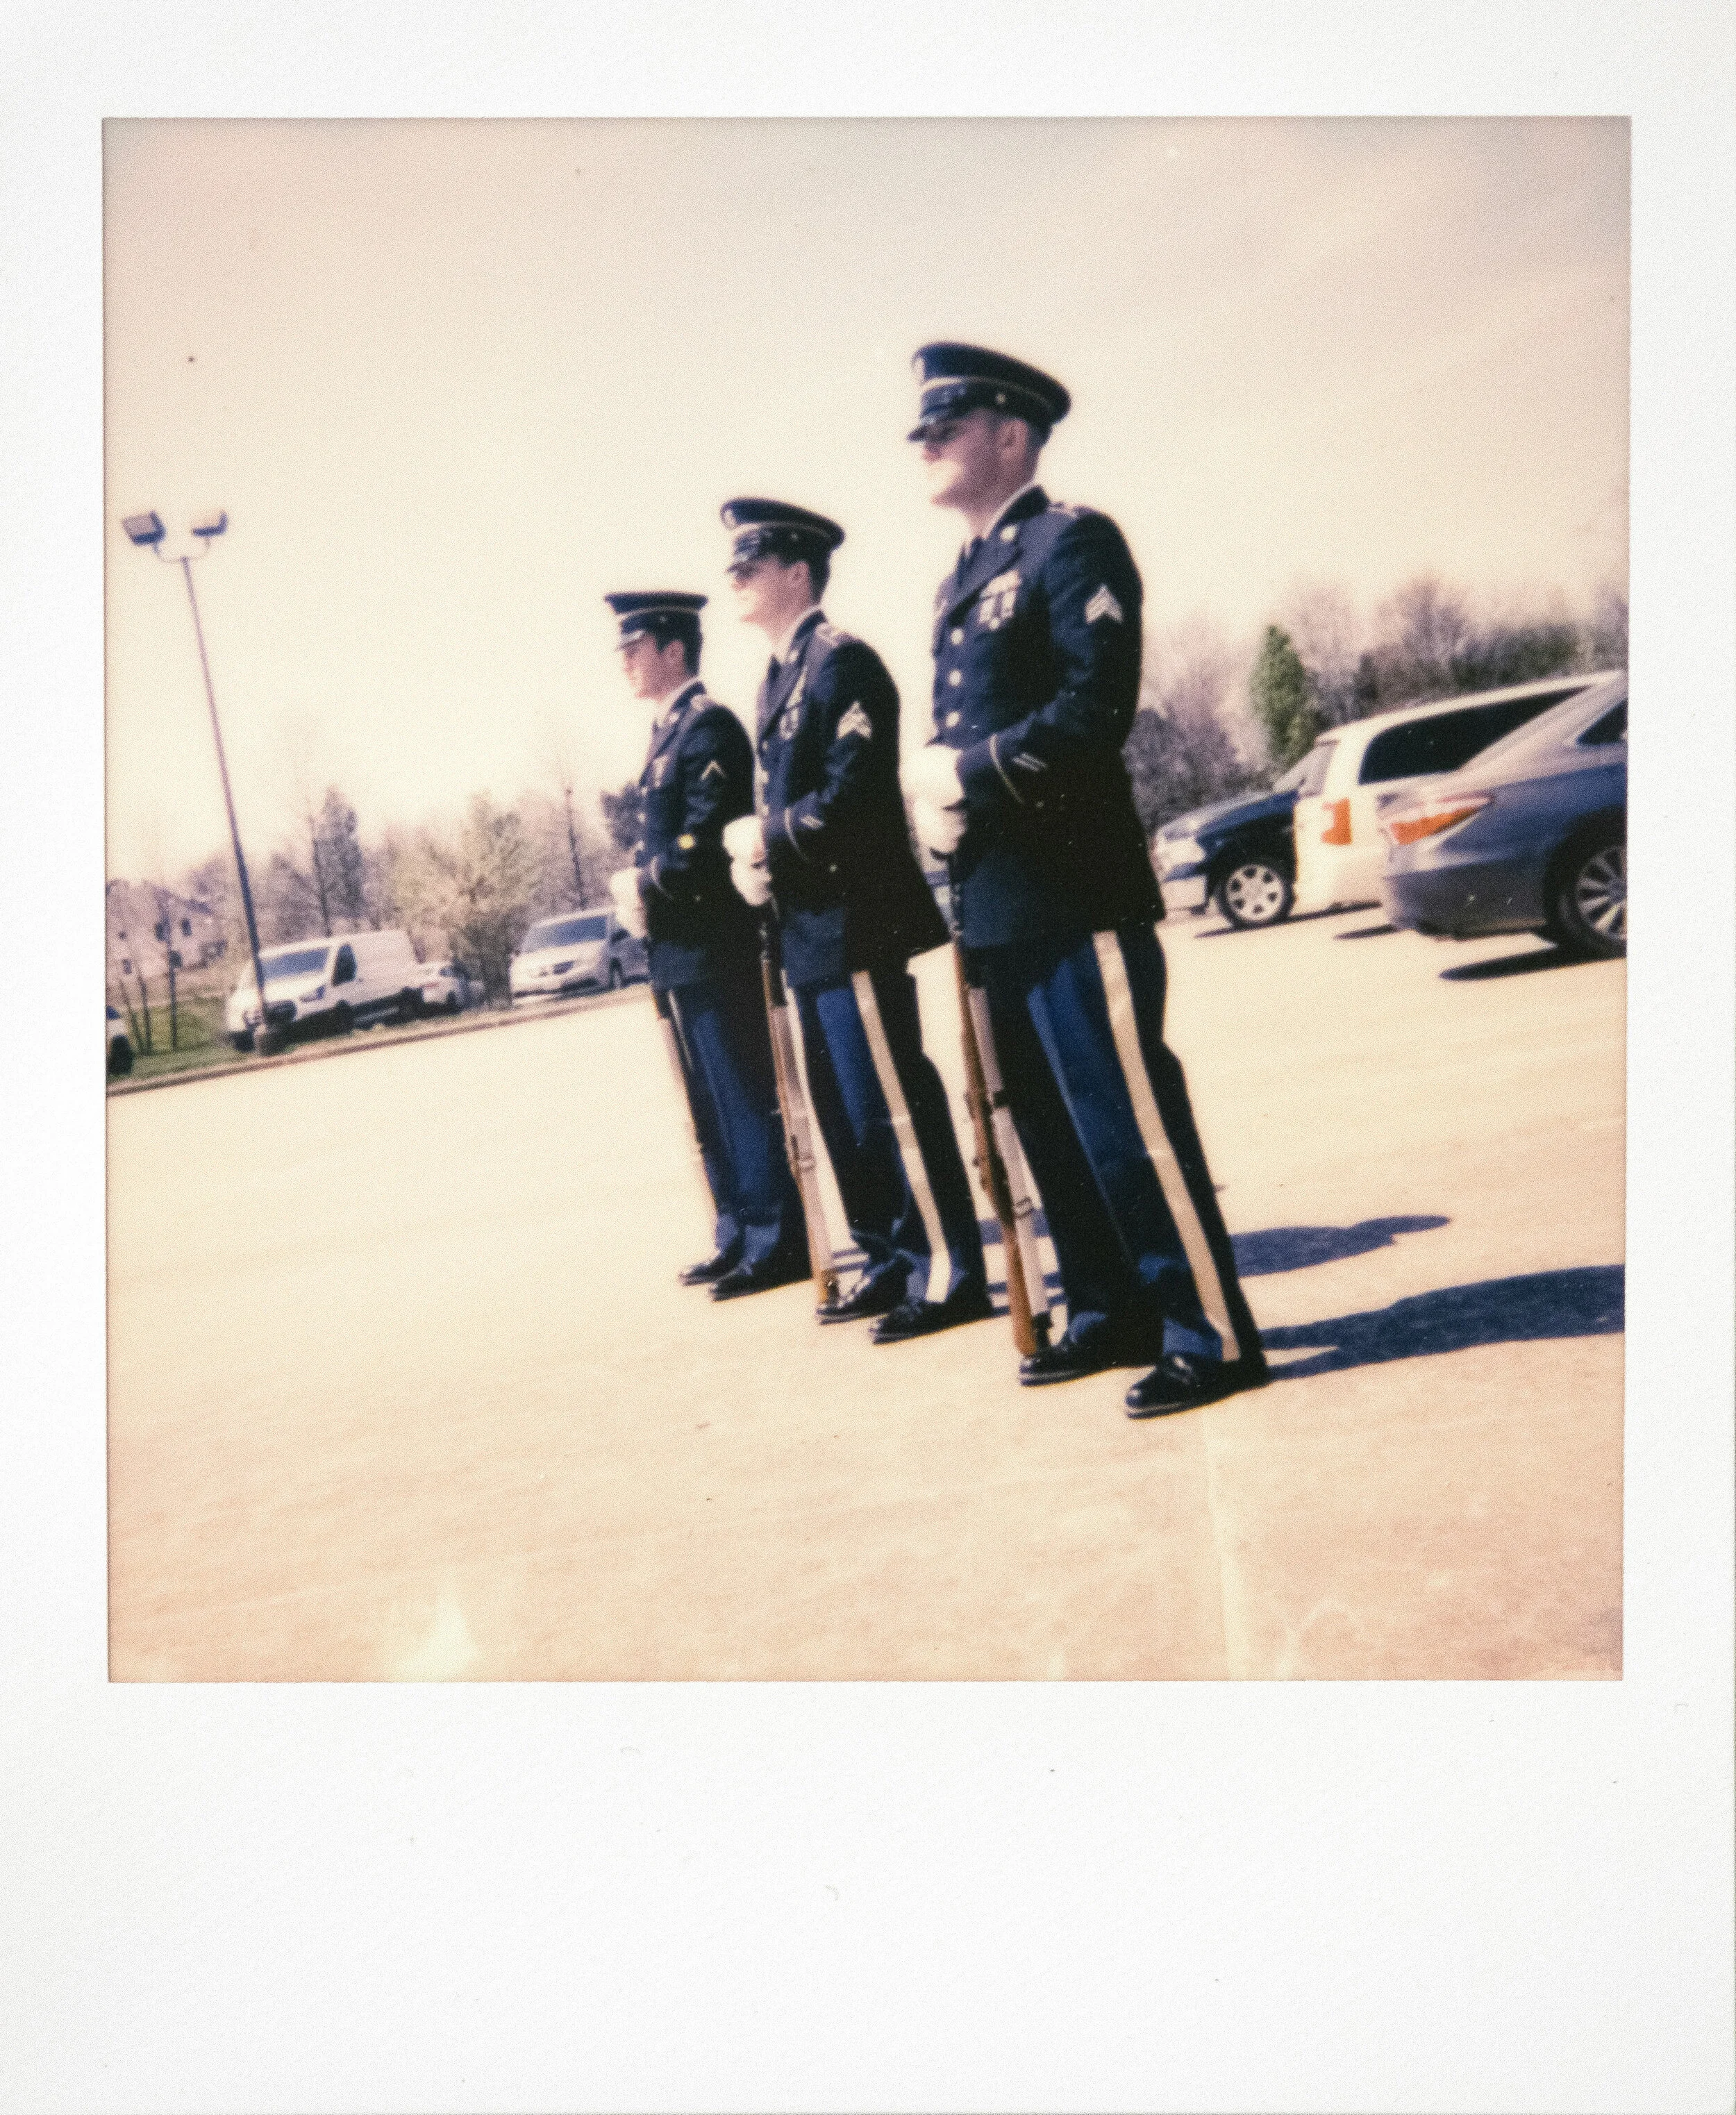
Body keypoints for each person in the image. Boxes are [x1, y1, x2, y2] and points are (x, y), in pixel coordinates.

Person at [901, 344, 1266, 1415]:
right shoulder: (958, 578)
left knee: (1124, 1121)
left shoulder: (1072, 543)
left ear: (1011, 433)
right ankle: (1108, 1308)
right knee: (1047, 1130)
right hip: (999, 900)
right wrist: (938, 797)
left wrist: (968, 772)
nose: (926, 445)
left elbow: (1094, 708)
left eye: (946, 426)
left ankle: (1208, 1329)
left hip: (1075, 889)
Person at [718, 499, 991, 1344]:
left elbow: (853, 798)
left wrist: (767, 838)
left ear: (798, 572)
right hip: (809, 931)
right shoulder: (777, 676)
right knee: (842, 1113)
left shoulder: (843, 664)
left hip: (857, 921)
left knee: (889, 1103)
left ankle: (949, 1268)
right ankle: (887, 1256)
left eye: (751, 564)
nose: (735, 577)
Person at [603, 591, 806, 1301]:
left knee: (740, 1094)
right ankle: (737, 1229)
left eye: (635, 649)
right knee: (708, 1102)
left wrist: (646, 882)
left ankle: (776, 1238)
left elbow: (704, 834)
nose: (624, 662)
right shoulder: (668, 731)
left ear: (674, 650)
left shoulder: (708, 725)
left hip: (714, 945)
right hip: (679, 950)